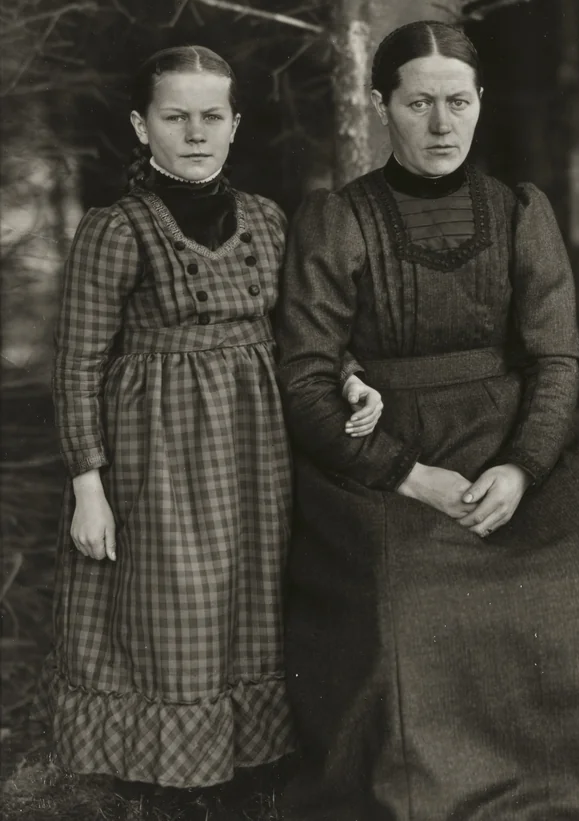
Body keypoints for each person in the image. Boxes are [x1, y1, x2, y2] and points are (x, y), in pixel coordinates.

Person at [274, 19, 579, 820]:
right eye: (418, 104)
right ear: (384, 107)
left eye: (457, 101)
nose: (441, 124)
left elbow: (556, 360)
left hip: (510, 440)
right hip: (382, 457)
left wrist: (522, 467)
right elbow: (305, 381)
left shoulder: (520, 210)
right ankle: (426, 791)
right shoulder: (336, 219)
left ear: (480, 103)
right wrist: (408, 475)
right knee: (413, 607)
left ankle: (558, 782)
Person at [48, 45, 382, 789]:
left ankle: (249, 767)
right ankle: (174, 778)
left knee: (256, 590)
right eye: (174, 117)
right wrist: (88, 485)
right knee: (180, 601)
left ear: (234, 125)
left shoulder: (266, 219)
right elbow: (76, 363)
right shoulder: (116, 229)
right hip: (158, 450)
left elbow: (305, 330)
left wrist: (351, 379)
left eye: (211, 116)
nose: (194, 132)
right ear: (143, 125)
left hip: (257, 444)